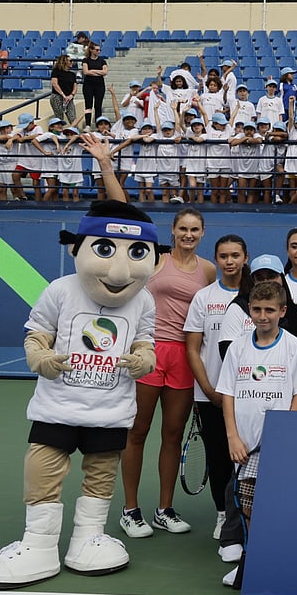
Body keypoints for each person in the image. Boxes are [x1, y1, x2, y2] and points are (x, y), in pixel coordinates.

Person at [0, 200, 159, 589]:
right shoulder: (60, 289)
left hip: (110, 407)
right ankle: (38, 544)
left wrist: (142, 359)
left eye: (137, 254)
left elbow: (145, 341)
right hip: (58, 406)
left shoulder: (144, 298)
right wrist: (42, 358)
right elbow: (38, 333)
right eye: (104, 249)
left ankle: (87, 539)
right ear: (77, 248)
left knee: (101, 474)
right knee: (44, 469)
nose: (121, 270)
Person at [118, 208, 215, 539]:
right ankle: (130, 511)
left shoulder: (209, 270)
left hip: (186, 357)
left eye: (195, 229)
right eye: (183, 228)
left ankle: (164, 509)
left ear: (203, 233)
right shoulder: (155, 259)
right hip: (150, 351)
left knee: (172, 435)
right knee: (137, 432)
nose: (188, 234)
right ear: (172, 231)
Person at [218, 279, 297, 587]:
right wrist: (232, 436)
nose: (262, 316)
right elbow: (227, 394)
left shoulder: (293, 347)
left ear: (282, 311)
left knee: (274, 504)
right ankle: (252, 561)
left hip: (278, 445)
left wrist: (284, 434)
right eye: (256, 310)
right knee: (247, 507)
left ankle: (268, 561)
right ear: (249, 311)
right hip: (243, 444)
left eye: (269, 310)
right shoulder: (238, 348)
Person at [183, 234, 250, 543]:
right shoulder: (204, 297)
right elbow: (194, 349)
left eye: (235, 255)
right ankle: (223, 513)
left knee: (249, 456)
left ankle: (248, 513)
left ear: (245, 258)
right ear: (217, 260)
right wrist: (209, 389)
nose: (230, 261)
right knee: (219, 455)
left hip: (251, 396)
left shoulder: (258, 297)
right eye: (223, 256)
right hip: (209, 394)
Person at [81, 43, 109, 126]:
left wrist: (92, 71)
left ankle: (98, 125)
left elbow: (105, 72)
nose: (98, 51)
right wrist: (98, 72)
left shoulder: (102, 61)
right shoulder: (86, 60)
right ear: (91, 50)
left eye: (100, 50)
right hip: (88, 85)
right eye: (97, 50)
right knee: (88, 105)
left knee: (98, 106)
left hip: (99, 85)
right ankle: (88, 125)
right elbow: (86, 72)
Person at [49, 55, 79, 127]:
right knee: (59, 117)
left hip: (69, 98)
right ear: (64, 62)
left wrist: (71, 95)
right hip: (57, 96)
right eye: (70, 61)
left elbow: (75, 86)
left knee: (72, 117)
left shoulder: (72, 74)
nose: (72, 62)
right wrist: (63, 95)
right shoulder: (56, 71)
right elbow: (55, 84)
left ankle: (75, 132)